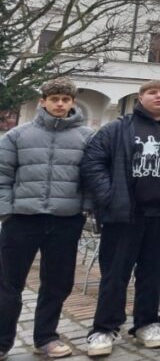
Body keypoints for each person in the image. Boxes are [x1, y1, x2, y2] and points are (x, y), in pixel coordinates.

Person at [80, 80, 160, 357]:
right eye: (152, 92)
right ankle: (104, 328)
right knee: (115, 275)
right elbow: (93, 162)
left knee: (153, 274)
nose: (159, 96)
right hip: (125, 214)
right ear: (140, 98)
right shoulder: (118, 128)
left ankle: (147, 323)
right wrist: (109, 195)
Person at [0, 78, 91, 359]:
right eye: (54, 99)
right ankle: (2, 341)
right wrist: (6, 210)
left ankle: (46, 337)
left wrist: (85, 208)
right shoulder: (17, 135)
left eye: (65, 99)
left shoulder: (87, 137)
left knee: (57, 282)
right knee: (8, 282)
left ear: (72, 102)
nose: (60, 104)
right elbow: (2, 174)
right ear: (43, 102)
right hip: (22, 219)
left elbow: (92, 176)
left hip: (66, 219)